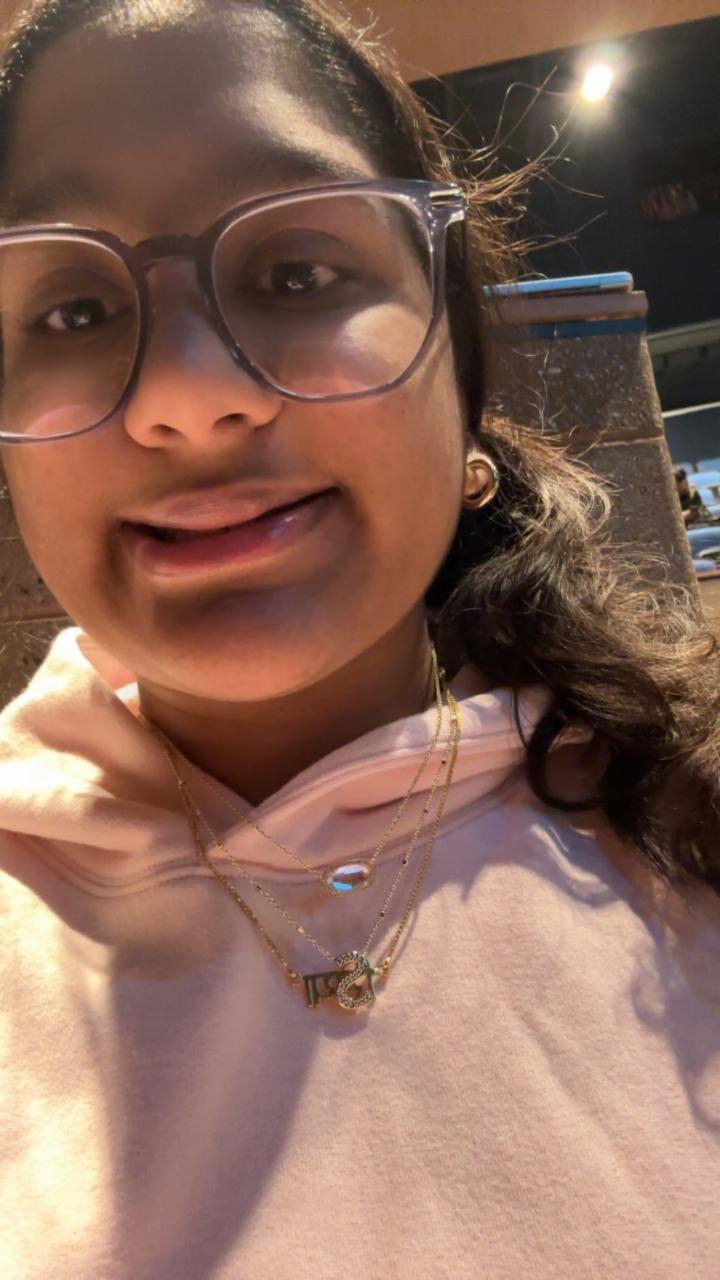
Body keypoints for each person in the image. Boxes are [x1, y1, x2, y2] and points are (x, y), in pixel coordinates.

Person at [0, 3, 718, 1278]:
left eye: (297, 274)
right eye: (73, 310)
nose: (186, 393)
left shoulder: (688, 824)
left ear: (461, 365)